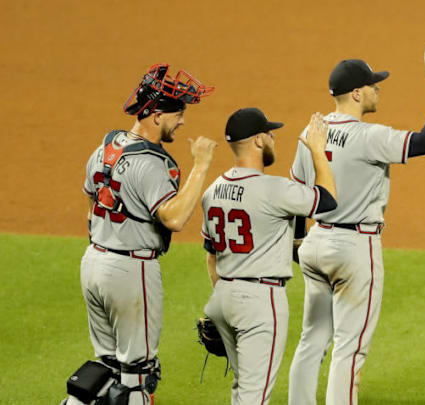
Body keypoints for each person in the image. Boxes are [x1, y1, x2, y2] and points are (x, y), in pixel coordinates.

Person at [287, 46, 425, 405]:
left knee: (312, 338)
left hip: (316, 243)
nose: (379, 90)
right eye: (374, 85)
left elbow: (297, 194)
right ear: (358, 93)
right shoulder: (368, 136)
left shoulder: (311, 131)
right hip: (355, 249)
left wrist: (299, 241)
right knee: (350, 348)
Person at [67, 63, 217, 405]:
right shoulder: (151, 163)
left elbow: (89, 198)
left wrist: (106, 239)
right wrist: (201, 166)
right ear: (155, 115)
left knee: (105, 367)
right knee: (139, 376)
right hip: (130, 271)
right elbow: (175, 218)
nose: (182, 121)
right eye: (177, 114)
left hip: (93, 263)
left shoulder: (107, 145)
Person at [201, 109, 337, 405]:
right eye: (270, 133)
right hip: (259, 302)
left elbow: (211, 256)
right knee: (255, 397)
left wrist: (229, 295)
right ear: (258, 140)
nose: (274, 137)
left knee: (243, 389)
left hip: (223, 296)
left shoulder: (212, 191)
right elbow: (327, 200)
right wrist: (317, 151)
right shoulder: (275, 189)